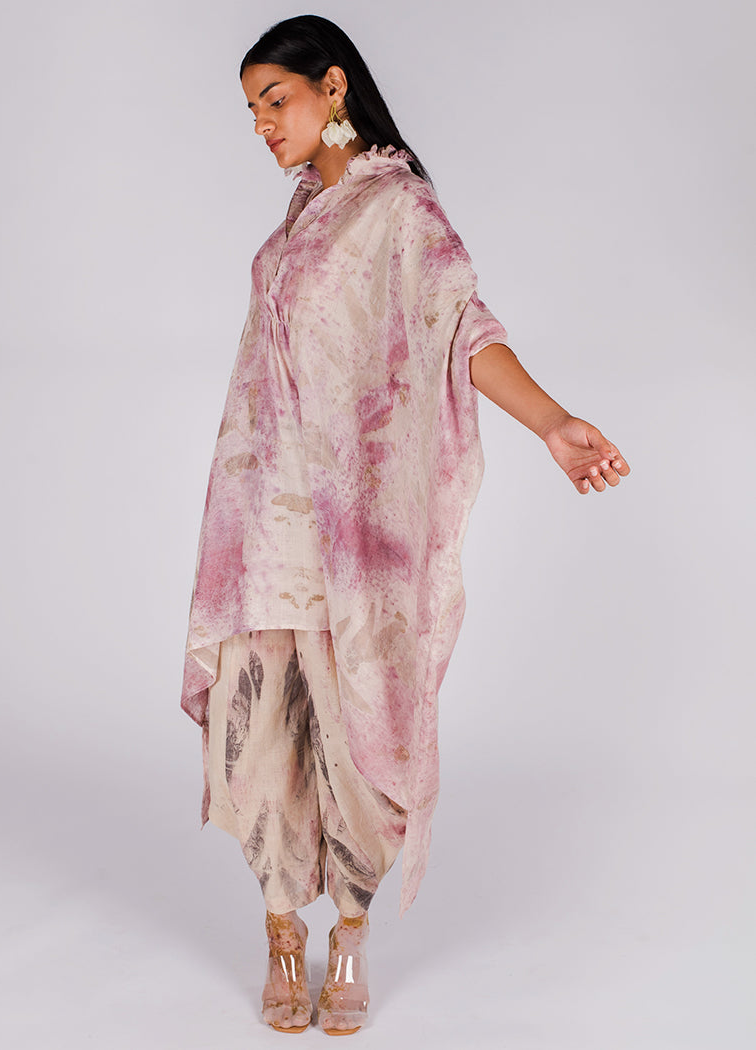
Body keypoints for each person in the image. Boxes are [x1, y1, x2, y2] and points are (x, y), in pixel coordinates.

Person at [180, 14, 630, 1037]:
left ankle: (347, 931)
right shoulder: (301, 216)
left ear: (334, 87)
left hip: (352, 536)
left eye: (276, 99)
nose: (262, 124)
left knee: (355, 739)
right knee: (259, 734)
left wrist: (553, 422)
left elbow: (462, 326)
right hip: (263, 528)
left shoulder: (398, 209)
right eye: (250, 110)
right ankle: (278, 929)